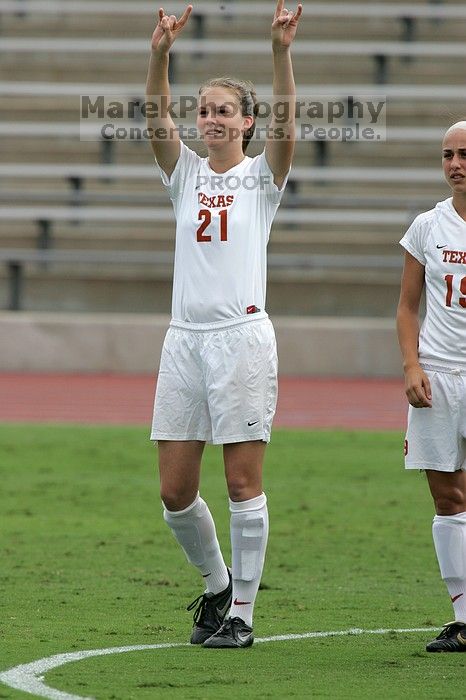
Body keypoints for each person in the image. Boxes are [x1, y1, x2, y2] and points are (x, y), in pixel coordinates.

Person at [145, 1, 302, 648]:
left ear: (247, 121)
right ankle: (216, 587)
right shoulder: (182, 175)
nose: (210, 118)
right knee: (175, 493)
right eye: (203, 109)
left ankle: (242, 614)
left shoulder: (262, 179)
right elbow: (155, 119)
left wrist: (280, 51)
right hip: (184, 340)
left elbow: (288, 124)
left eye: (222, 110)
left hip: (241, 341)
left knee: (242, 481)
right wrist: (159, 54)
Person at [397, 120, 466, 653]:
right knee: (448, 498)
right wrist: (410, 366)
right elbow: (406, 306)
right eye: (447, 155)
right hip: (437, 377)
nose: (455, 164)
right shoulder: (427, 225)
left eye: (463, 154)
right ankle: (463, 615)